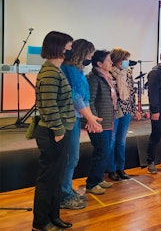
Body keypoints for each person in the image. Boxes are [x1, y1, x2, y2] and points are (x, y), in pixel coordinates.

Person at [31, 31, 76, 231]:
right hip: (52, 133)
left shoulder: (55, 70)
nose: (70, 50)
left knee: (56, 178)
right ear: (59, 47)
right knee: (48, 179)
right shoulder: (50, 72)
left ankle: (53, 216)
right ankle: (40, 223)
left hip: (58, 131)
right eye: (68, 47)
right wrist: (59, 130)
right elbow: (48, 106)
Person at [59, 39, 102, 211]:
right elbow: (75, 97)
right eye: (90, 55)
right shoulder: (68, 70)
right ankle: (63, 194)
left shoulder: (77, 70)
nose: (90, 58)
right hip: (69, 119)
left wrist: (89, 117)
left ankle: (66, 189)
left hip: (76, 118)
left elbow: (83, 98)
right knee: (70, 158)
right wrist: (90, 118)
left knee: (72, 158)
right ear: (81, 53)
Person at [85, 50, 117, 196]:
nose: (111, 63)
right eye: (109, 60)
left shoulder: (107, 77)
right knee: (101, 151)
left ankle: (98, 179)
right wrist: (93, 119)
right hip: (98, 122)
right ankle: (91, 184)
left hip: (107, 120)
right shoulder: (94, 78)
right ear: (99, 63)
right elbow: (90, 101)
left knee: (105, 151)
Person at [108, 48, 138, 182]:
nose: (126, 62)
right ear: (117, 59)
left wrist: (135, 109)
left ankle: (121, 168)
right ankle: (111, 169)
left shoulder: (128, 72)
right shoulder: (108, 72)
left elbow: (132, 92)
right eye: (124, 59)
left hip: (126, 110)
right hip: (113, 111)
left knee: (121, 141)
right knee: (112, 141)